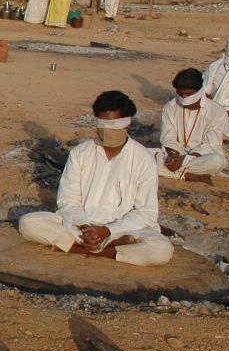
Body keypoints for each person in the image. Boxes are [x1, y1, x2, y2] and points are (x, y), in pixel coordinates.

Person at [17, 90, 174, 266]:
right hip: (81, 227)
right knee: (28, 223)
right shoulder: (80, 153)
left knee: (161, 250)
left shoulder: (143, 160)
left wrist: (106, 231)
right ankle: (108, 250)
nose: (107, 131)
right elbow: (68, 201)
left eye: (113, 125)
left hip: (121, 229)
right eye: (102, 124)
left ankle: (78, 248)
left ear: (127, 123)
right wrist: (85, 227)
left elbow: (146, 213)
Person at [155, 68, 228, 183]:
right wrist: (173, 155)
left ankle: (174, 172)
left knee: (217, 161)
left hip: (201, 157)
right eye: (180, 93)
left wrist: (183, 160)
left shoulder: (217, 111)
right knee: (141, 155)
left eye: (188, 94)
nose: (184, 97)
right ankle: (188, 175)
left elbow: (211, 144)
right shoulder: (170, 107)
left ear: (199, 91)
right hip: (174, 155)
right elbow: (168, 138)